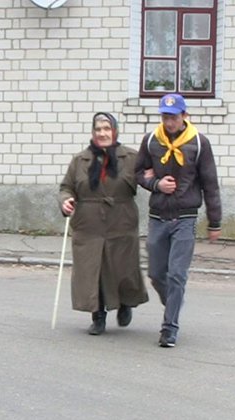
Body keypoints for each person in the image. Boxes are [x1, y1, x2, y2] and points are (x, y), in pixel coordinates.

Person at [135, 93, 222, 348]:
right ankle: (174, 300)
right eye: (165, 116)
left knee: (176, 275)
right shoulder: (151, 140)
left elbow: (210, 184)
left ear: (184, 116)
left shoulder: (199, 143)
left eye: (173, 117)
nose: (169, 122)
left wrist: (214, 222)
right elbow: (138, 173)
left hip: (185, 217)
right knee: (156, 273)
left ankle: (169, 327)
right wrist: (156, 184)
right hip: (158, 216)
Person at [59, 112, 149, 335]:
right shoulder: (79, 160)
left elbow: (149, 178)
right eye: (98, 129)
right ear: (93, 133)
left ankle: (125, 303)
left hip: (121, 220)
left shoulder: (131, 157)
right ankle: (98, 316)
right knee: (93, 271)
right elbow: (66, 187)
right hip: (89, 224)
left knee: (123, 268)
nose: (102, 133)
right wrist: (66, 201)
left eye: (107, 129)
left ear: (114, 132)